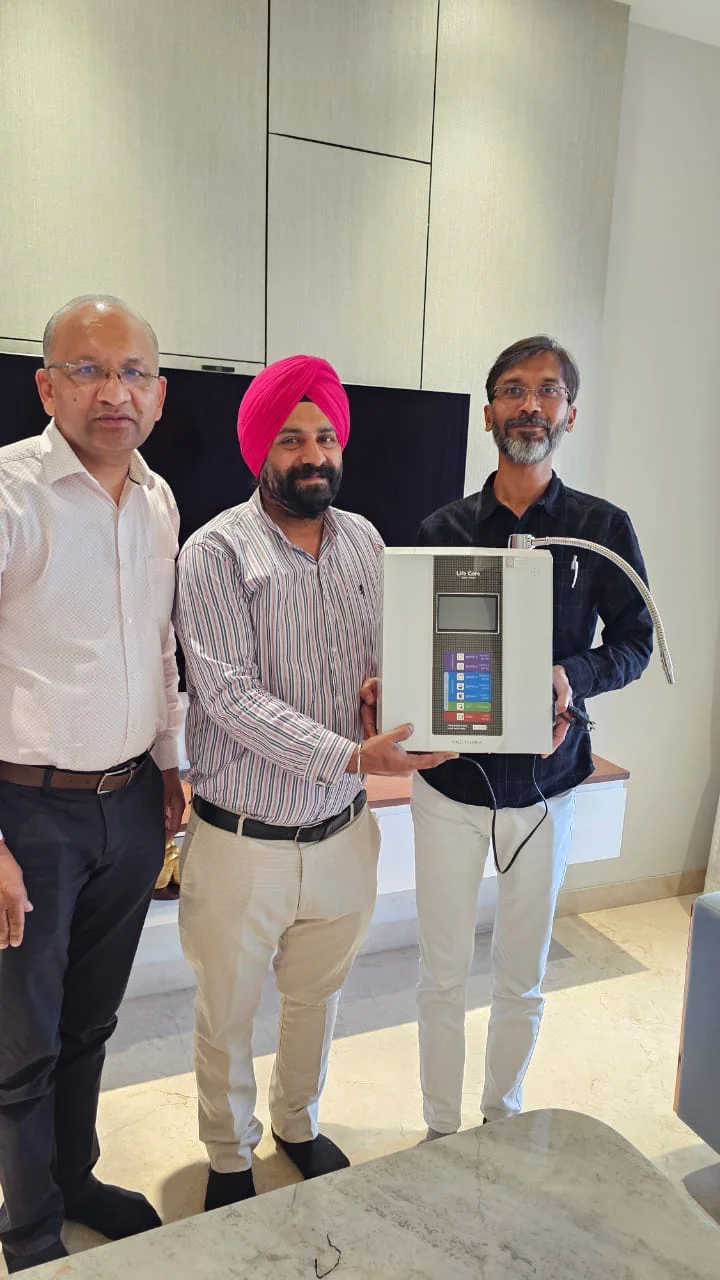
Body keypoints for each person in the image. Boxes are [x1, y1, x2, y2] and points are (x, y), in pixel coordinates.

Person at [174, 354, 453, 1212]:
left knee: (316, 997)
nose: (313, 455)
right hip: (242, 839)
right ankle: (229, 1154)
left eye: (326, 436)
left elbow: (388, 655)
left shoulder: (366, 540)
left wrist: (391, 699)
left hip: (342, 832)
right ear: (260, 448)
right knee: (227, 1011)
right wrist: (351, 754)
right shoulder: (215, 552)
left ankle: (296, 1122)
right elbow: (227, 697)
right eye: (292, 438)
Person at [408, 335, 654, 1135]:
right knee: (442, 971)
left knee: (523, 973)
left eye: (548, 390)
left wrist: (571, 676)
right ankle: (441, 1128)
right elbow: (411, 646)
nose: (530, 405)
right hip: (450, 785)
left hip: (548, 788)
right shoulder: (441, 528)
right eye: (513, 390)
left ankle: (502, 1119)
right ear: (488, 414)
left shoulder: (601, 529)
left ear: (569, 414)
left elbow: (636, 641)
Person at [0, 295, 185, 1273]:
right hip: (27, 812)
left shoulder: (158, 499)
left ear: (160, 392)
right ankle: (29, 1228)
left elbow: (159, 645)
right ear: (46, 386)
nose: (114, 391)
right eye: (88, 369)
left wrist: (172, 762)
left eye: (132, 372)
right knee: (22, 1038)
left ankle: (75, 1180)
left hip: (131, 802)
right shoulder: (11, 493)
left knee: (90, 1020)